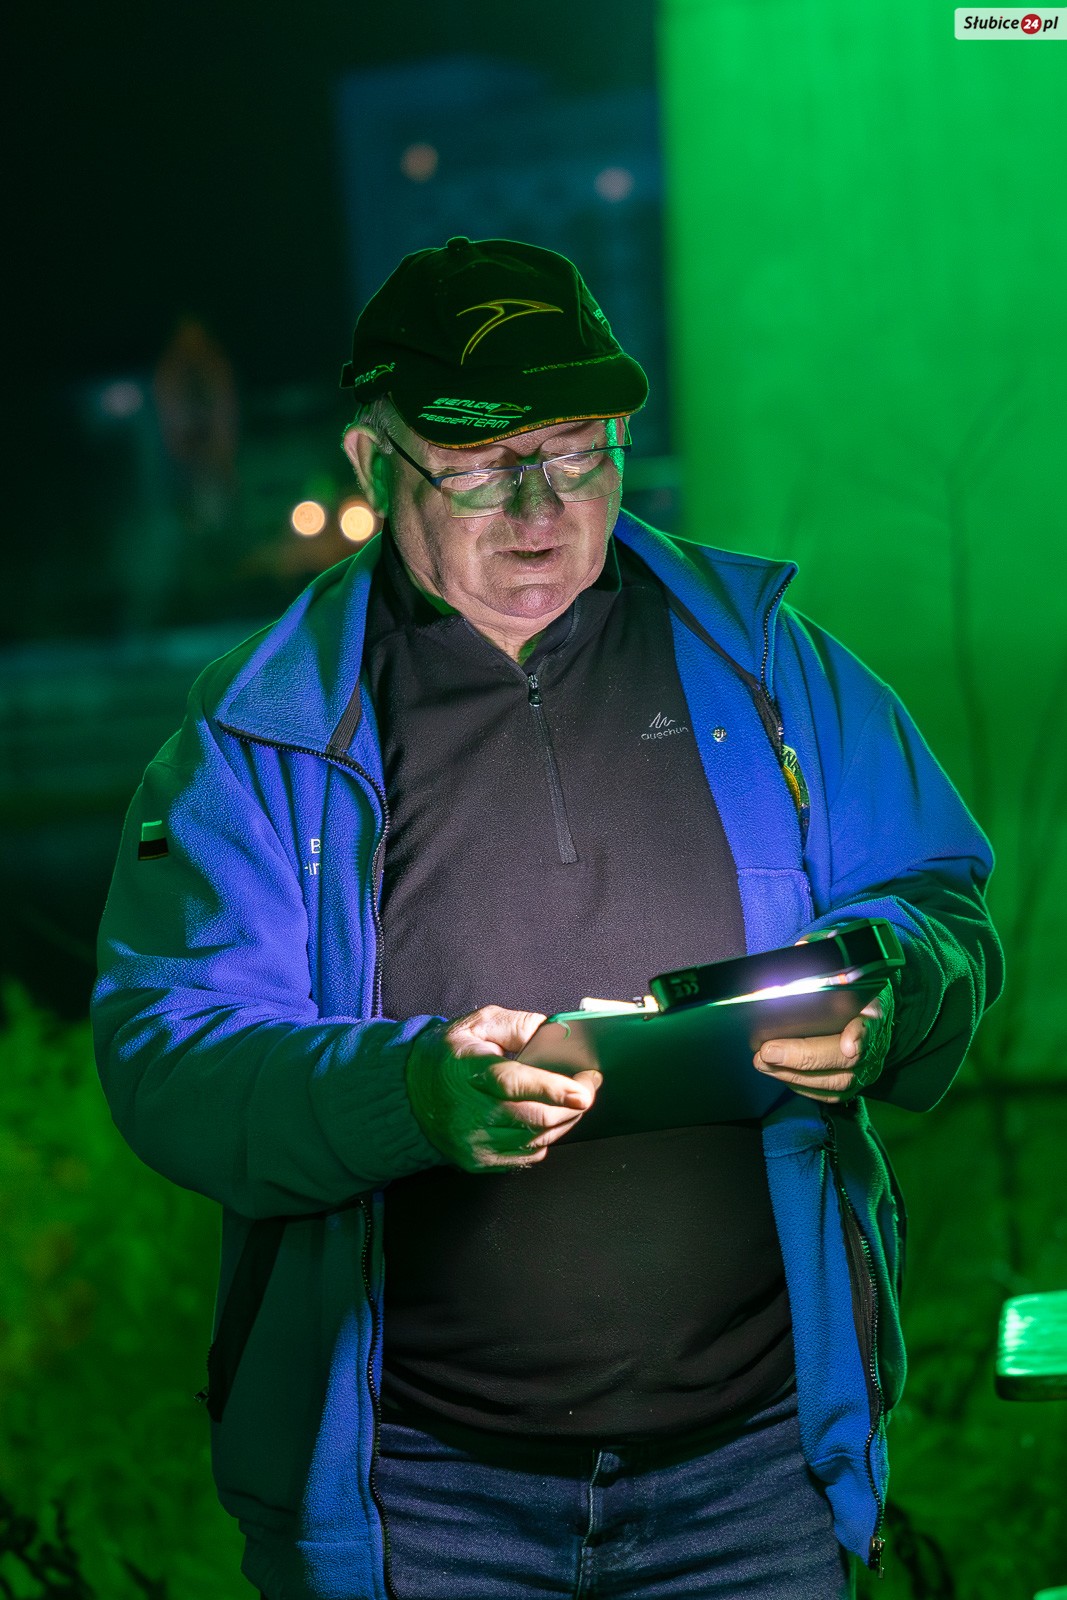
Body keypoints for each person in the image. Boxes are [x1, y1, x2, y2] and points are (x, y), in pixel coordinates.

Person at [92, 236, 1002, 1600]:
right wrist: (409, 1095)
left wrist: (885, 999)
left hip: (761, 1481)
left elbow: (937, 905)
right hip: (420, 1506)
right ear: (372, 462)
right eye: (480, 467)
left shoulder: (766, 661)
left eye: (578, 456)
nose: (539, 513)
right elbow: (169, 1055)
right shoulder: (258, 734)